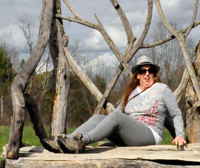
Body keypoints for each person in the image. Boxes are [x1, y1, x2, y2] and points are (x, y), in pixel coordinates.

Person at [41, 55, 187, 153]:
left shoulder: (162, 89)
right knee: (99, 117)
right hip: (129, 137)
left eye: (150, 71)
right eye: (143, 71)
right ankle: (67, 140)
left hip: (149, 135)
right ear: (137, 75)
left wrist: (180, 135)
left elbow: (176, 113)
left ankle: (82, 141)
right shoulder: (131, 93)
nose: (147, 74)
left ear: (155, 73)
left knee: (116, 117)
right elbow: (115, 115)